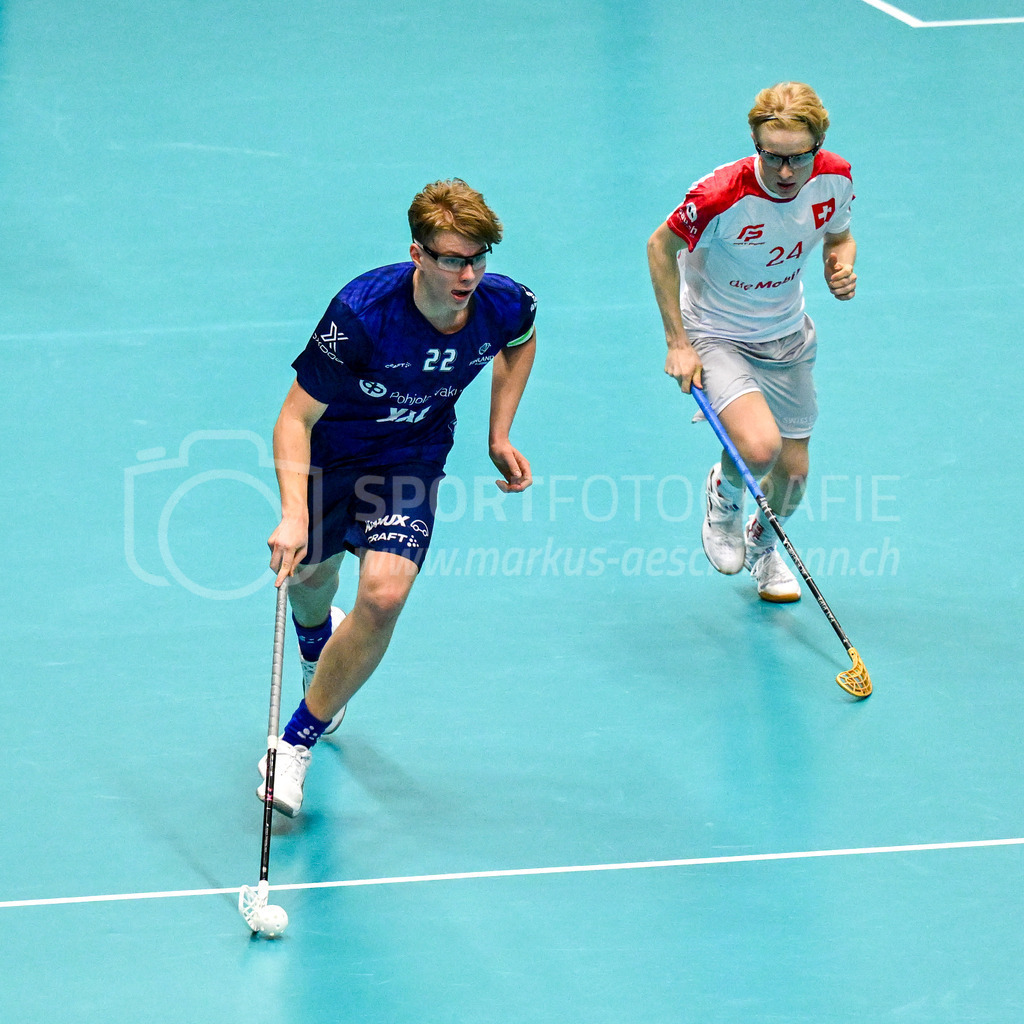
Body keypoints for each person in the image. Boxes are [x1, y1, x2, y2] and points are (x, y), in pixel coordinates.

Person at [259, 178, 537, 816]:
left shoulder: (502, 304)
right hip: (332, 455)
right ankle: (316, 647)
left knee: (383, 597)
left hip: (409, 461)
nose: (467, 273)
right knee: (310, 577)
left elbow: (520, 341)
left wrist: (500, 431)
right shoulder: (361, 315)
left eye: (477, 258)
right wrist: (293, 514)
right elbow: (293, 419)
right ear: (418, 255)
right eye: (451, 259)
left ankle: (295, 741)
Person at [647, 82, 857, 602]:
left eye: (798, 158)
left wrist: (842, 264)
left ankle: (763, 548)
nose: (786, 172)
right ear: (755, 142)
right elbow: (659, 245)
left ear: (818, 146)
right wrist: (678, 341)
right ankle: (724, 494)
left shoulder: (835, 178)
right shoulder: (719, 195)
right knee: (758, 448)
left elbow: (839, 236)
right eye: (772, 156)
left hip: (785, 335)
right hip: (717, 333)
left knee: (794, 479)